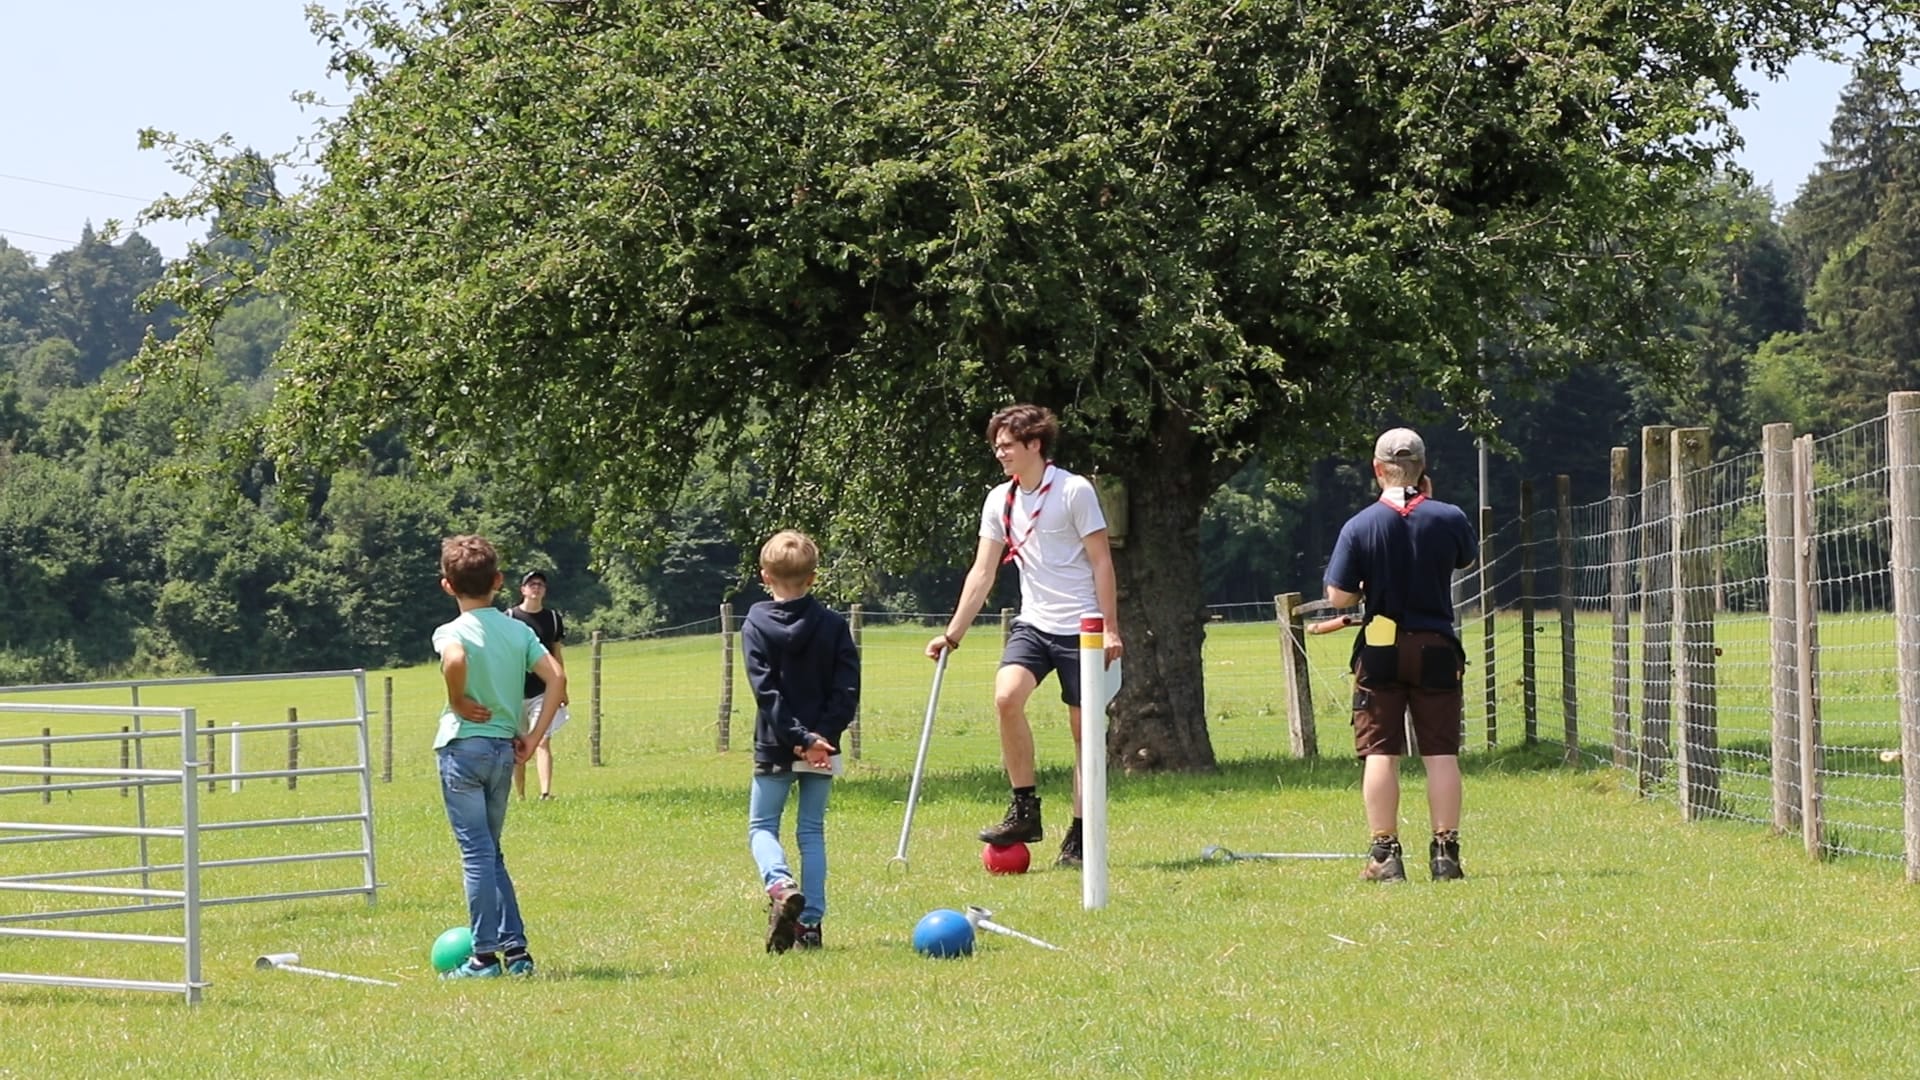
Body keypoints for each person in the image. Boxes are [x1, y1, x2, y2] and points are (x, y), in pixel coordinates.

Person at [924, 403, 1122, 869]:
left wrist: (1110, 628)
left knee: (1084, 734)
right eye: (996, 446)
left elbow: (1102, 562)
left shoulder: (1074, 491)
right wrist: (952, 635)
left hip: (1082, 627)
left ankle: (1080, 835)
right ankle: (1024, 809)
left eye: (1007, 445)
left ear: (1035, 444)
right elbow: (982, 572)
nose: (1000, 453)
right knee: (1006, 697)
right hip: (1034, 623)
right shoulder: (1000, 500)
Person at [1323, 428, 1477, 883]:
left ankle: (1385, 855)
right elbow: (1465, 560)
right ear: (1423, 468)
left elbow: (1338, 596)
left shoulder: (1359, 525)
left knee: (1381, 752)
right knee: (1441, 753)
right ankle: (1445, 854)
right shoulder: (1449, 517)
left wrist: (1365, 585)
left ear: (1377, 469)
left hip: (1380, 645)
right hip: (1436, 644)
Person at [431, 535, 567, 978]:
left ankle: (484, 958)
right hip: (503, 751)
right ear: (498, 581)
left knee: (476, 854)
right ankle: (517, 952)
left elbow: (454, 660)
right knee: (492, 853)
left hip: (463, 749)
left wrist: (457, 700)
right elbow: (556, 678)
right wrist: (534, 736)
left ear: (447, 585)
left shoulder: (451, 631)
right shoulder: (519, 630)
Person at [744, 530, 860, 953]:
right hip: (823, 749)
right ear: (813, 577)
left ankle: (780, 884)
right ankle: (809, 925)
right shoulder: (833, 625)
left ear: (765, 576)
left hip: (776, 743)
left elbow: (766, 691)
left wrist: (797, 737)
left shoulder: (755, 624)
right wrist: (820, 737)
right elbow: (847, 688)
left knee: (762, 826)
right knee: (811, 831)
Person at [509, 570, 568, 801]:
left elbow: (556, 653)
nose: (536, 587)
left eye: (540, 584)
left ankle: (545, 793)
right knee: (517, 743)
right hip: (515, 691)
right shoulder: (510, 617)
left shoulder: (552, 618)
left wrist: (562, 688)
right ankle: (520, 795)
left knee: (542, 739)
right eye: (531, 584)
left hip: (543, 690)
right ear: (522, 590)